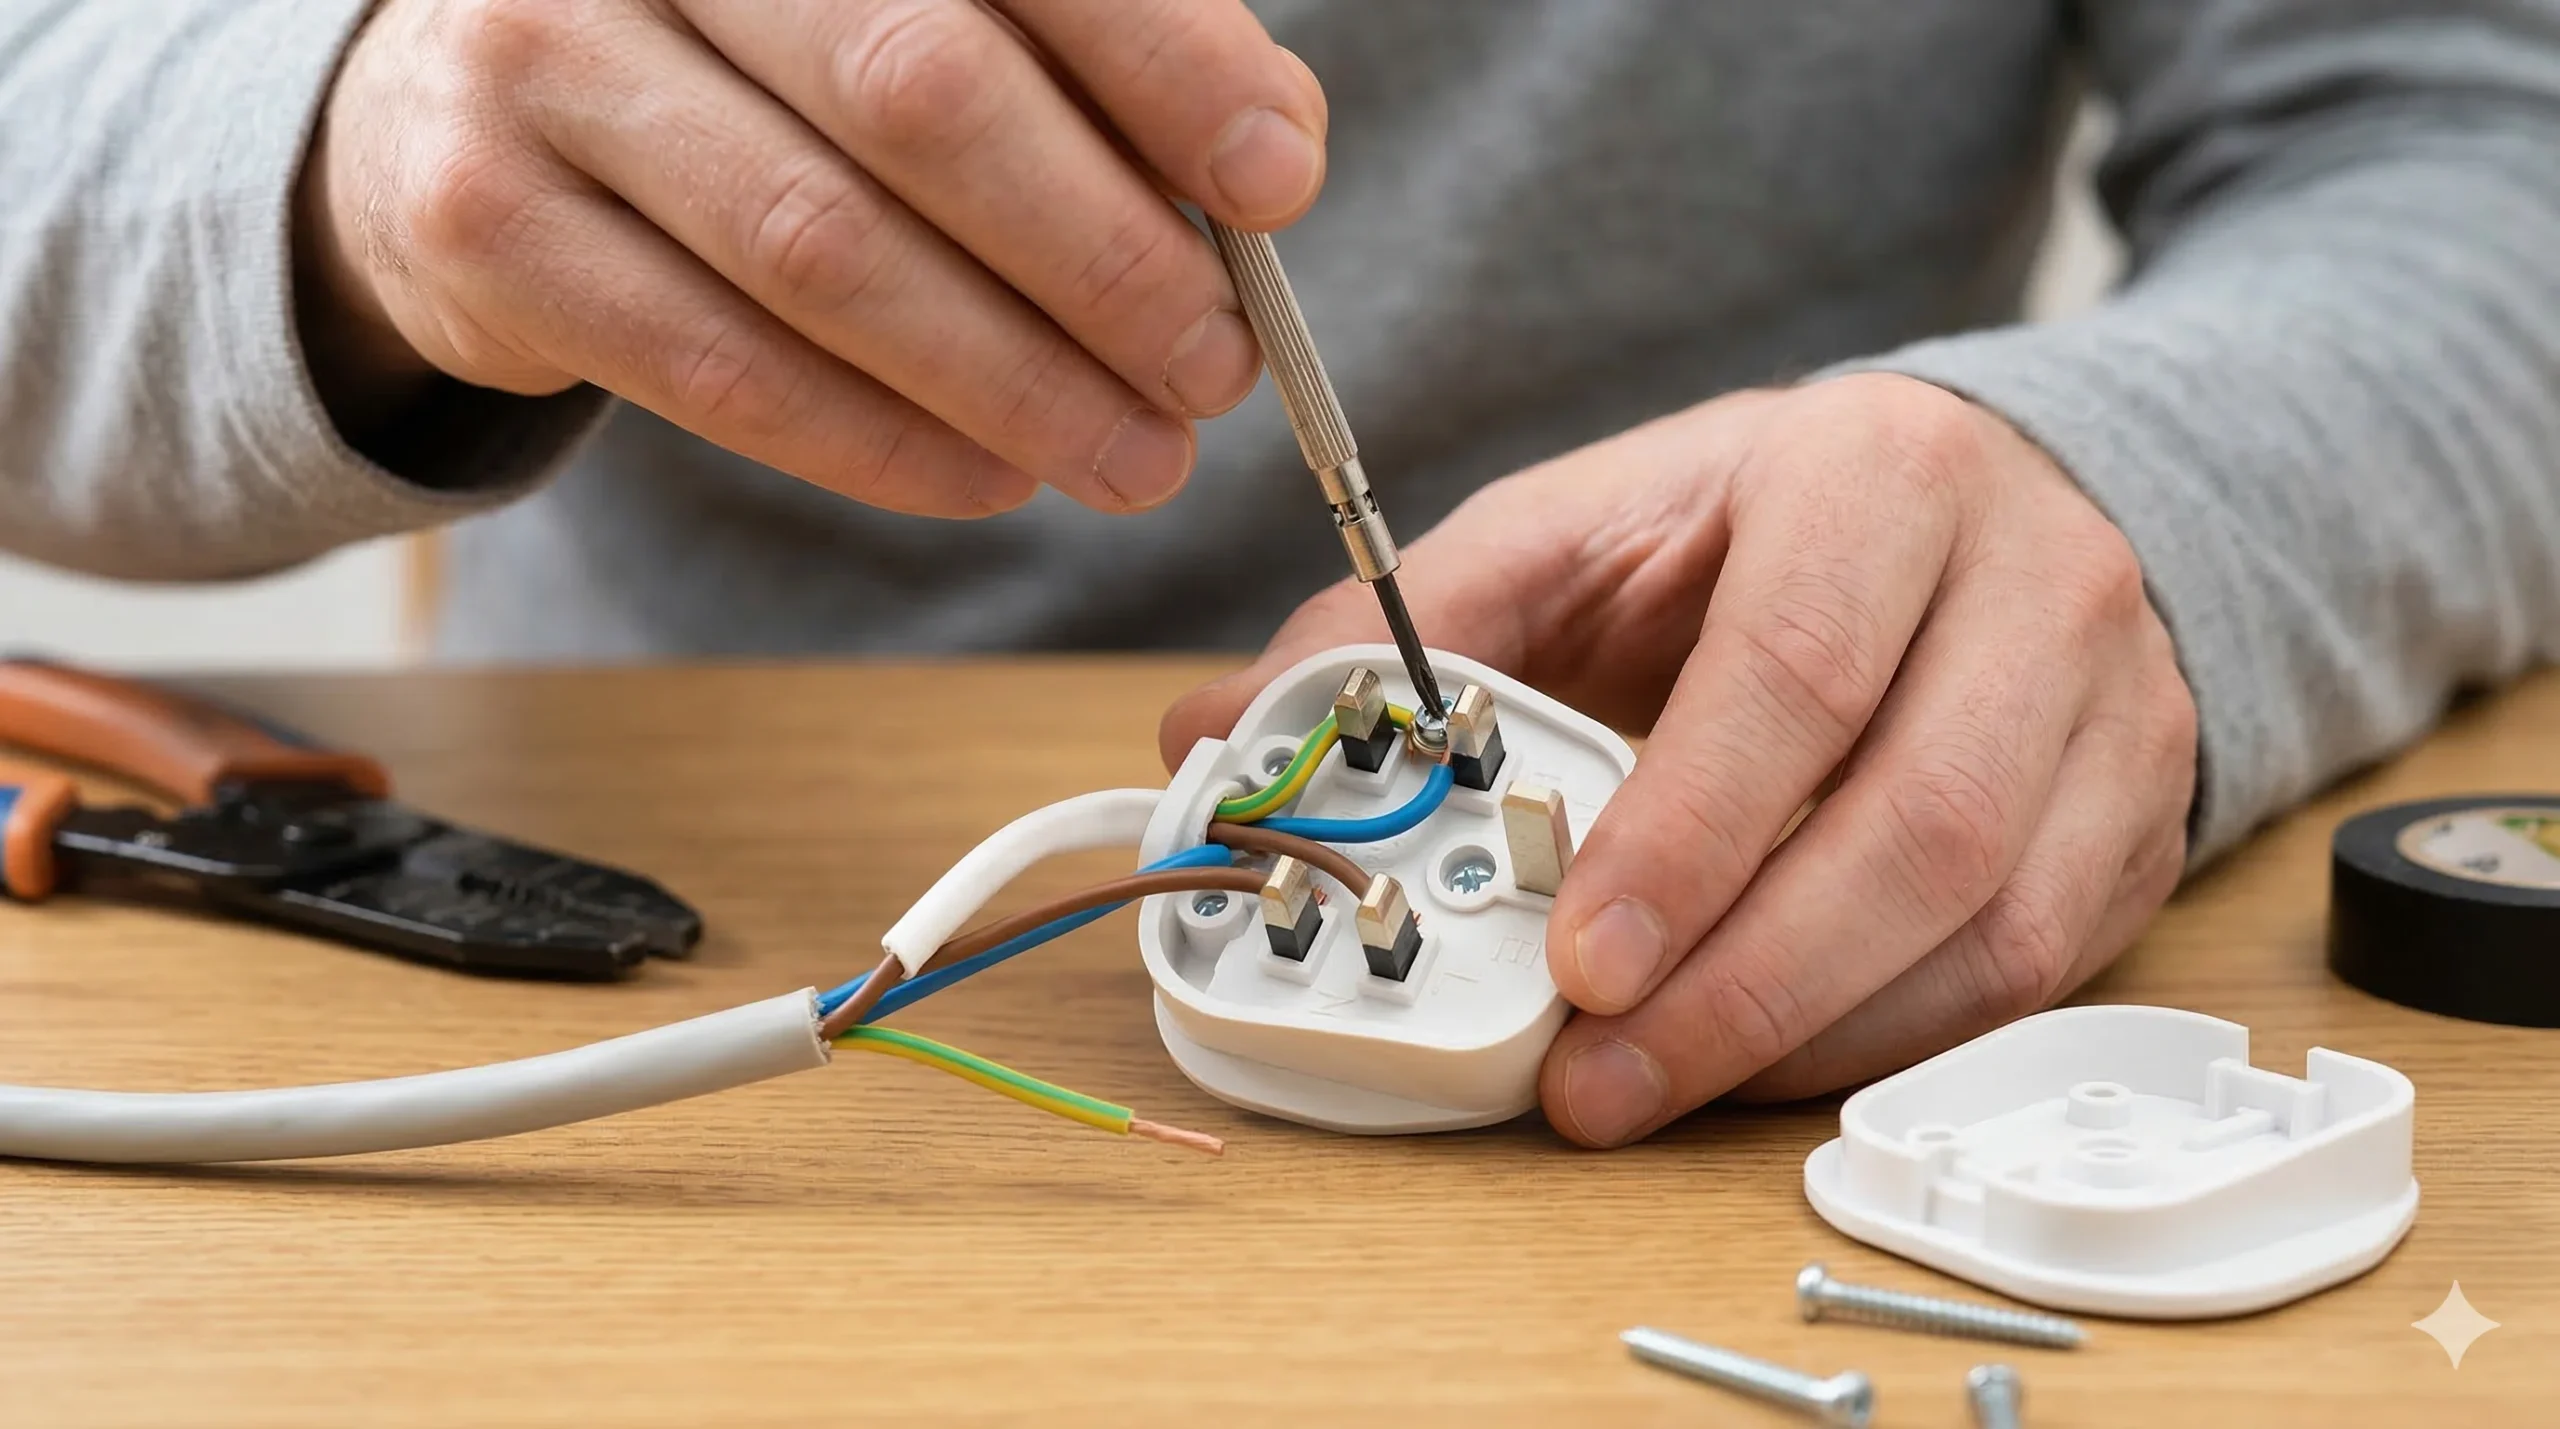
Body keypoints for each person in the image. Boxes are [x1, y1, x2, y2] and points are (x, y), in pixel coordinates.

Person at [7, 2, 2560, 1148]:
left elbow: (2473, 144)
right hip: (660, 909)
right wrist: (363, 155)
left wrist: (2135, 482)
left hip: (1774, 887)